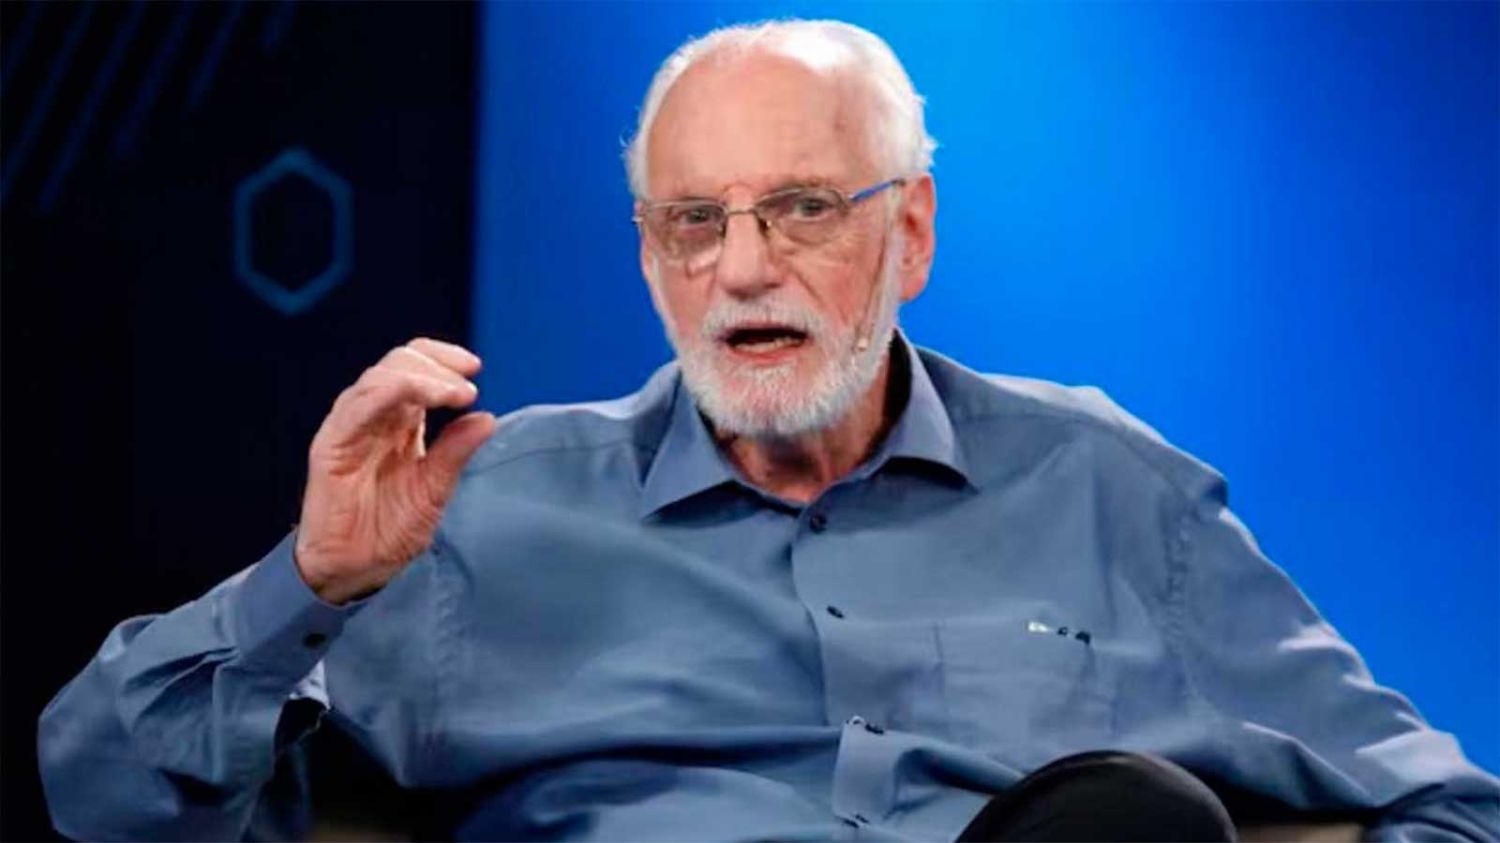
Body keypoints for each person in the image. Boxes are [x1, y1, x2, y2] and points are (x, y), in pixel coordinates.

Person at [38, 19, 1499, 842]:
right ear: (648, 257)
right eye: (693, 222)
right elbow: (102, 799)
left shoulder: (1107, 486)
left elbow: (1449, 814)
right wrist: (309, 581)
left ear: (909, 233)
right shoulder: (484, 511)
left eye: (800, 209)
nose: (741, 268)